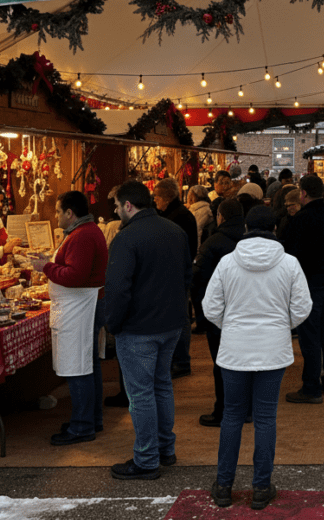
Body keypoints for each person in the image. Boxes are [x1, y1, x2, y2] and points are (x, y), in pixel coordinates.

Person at [204, 206, 312, 510]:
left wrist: (233, 326)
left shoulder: (227, 263)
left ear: (246, 228)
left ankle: (224, 485)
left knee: (232, 417)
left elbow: (210, 307)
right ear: (275, 229)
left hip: (234, 351)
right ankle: (261, 487)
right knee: (265, 419)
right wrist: (280, 325)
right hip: (272, 349)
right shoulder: (289, 264)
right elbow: (303, 307)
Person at [104, 180, 193, 480]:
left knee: (141, 394)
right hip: (171, 324)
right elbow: (186, 277)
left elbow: (118, 289)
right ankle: (165, 449)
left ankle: (146, 459)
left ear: (128, 206)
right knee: (161, 386)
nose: (116, 212)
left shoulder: (126, 239)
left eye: (117, 207)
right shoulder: (175, 231)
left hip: (139, 328)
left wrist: (112, 324)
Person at [31, 191, 108, 446]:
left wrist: (46, 267)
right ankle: (90, 419)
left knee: (78, 368)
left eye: (57, 211)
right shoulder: (83, 231)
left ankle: (82, 427)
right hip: (82, 306)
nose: (55, 216)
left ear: (69, 213)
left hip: (81, 307)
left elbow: (75, 276)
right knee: (88, 365)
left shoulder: (83, 235)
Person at [282, 174, 324, 404]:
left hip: (309, 285)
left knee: (310, 337)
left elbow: (291, 255)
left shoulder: (300, 219)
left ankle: (311, 386)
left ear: (303, 193)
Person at [191, 199, 246, 428]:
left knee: (221, 363)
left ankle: (222, 410)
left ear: (221, 217)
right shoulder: (248, 242)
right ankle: (246, 409)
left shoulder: (213, 243)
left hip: (221, 314)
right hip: (245, 311)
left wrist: (202, 313)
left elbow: (198, 278)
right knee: (244, 362)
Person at [154, 178, 198, 380]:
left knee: (180, 319)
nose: (155, 201)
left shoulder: (176, 217)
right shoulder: (179, 214)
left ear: (166, 197)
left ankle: (181, 362)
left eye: (156, 197)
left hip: (176, 274)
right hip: (180, 272)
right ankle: (179, 361)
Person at [187, 185, 213, 252]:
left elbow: (197, 232)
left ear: (193, 197)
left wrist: (197, 253)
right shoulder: (203, 208)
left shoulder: (200, 211)